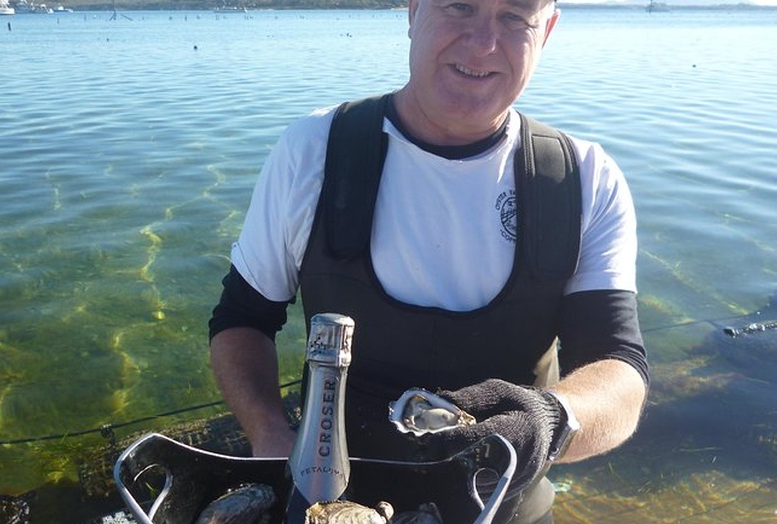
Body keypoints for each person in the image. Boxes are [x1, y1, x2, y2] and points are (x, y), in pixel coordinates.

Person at [208, 0, 649, 521]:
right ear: (413, 10)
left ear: (546, 30)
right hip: (326, 501)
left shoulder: (582, 178)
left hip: (505, 507)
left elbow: (620, 370)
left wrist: (552, 420)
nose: (483, 44)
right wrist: (271, 436)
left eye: (514, 17)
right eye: (459, 7)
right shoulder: (315, 151)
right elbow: (243, 318)